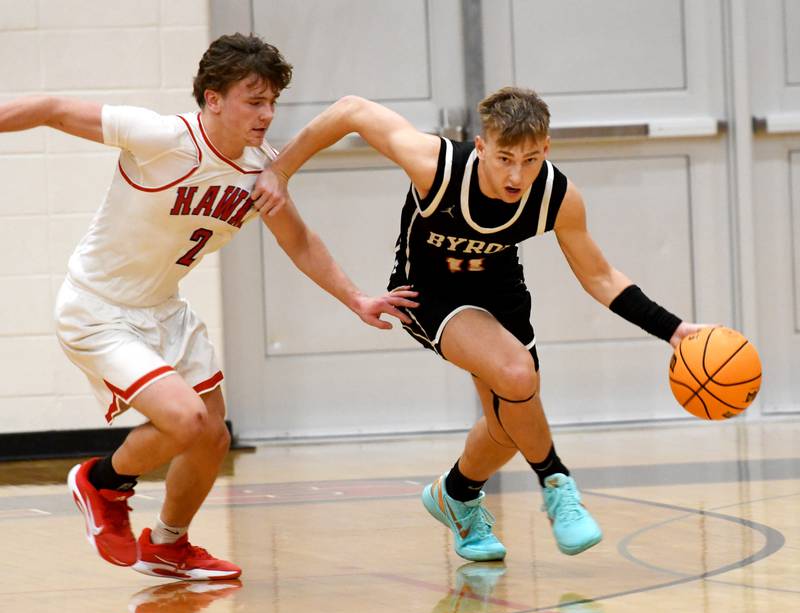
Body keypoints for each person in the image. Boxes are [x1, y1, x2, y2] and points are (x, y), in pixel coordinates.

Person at [0, 33, 417, 580]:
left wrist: (356, 297)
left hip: (164, 311)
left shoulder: (261, 169)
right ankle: (102, 481)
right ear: (213, 99)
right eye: (254, 99)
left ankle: (169, 543)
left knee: (214, 436)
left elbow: (299, 240)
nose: (267, 114)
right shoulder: (163, 137)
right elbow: (53, 109)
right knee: (188, 421)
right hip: (98, 308)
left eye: (272, 101)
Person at [251, 87, 705, 561]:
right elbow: (351, 109)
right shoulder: (436, 166)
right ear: (482, 146)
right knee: (516, 374)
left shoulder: (557, 196)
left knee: (508, 426)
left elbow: (600, 276)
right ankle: (557, 484)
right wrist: (280, 170)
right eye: (504, 158)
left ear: (546, 150)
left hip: (500, 293)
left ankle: (457, 496)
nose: (516, 174)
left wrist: (672, 331)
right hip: (428, 292)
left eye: (530, 160)